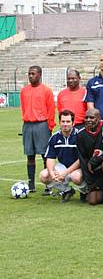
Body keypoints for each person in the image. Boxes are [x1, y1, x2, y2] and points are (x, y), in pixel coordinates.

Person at [20, 65, 56, 193]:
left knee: (45, 155)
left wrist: (50, 126)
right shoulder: (24, 91)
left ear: (39, 75)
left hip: (42, 125)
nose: (30, 76)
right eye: (29, 74)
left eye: (33, 74)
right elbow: (23, 108)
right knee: (30, 155)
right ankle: (31, 184)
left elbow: (51, 109)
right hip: (28, 125)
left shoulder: (46, 91)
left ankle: (48, 184)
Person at [40, 109, 85, 203]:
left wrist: (65, 173)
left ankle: (85, 191)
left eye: (68, 121)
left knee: (75, 177)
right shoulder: (55, 137)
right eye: (63, 121)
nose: (65, 124)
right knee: (44, 176)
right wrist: (52, 173)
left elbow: (81, 160)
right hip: (63, 166)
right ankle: (67, 190)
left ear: (73, 123)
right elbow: (50, 158)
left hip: (79, 167)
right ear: (59, 122)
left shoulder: (80, 136)